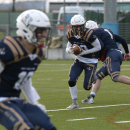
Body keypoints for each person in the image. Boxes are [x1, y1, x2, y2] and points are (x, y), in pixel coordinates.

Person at [0, 9, 57, 130]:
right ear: (27, 29)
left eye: (45, 31)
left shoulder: (38, 53)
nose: (44, 35)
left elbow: (25, 79)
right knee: (23, 127)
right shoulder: (9, 48)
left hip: (15, 99)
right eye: (40, 31)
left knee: (46, 125)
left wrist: (34, 102)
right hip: (2, 100)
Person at [82, 20, 130, 104]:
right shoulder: (106, 32)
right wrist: (127, 52)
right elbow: (122, 40)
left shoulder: (94, 32)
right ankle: (91, 97)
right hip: (115, 54)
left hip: (112, 55)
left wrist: (98, 56)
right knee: (97, 76)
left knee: (115, 77)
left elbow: (101, 46)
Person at [66, 15, 103, 109]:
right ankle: (74, 103)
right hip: (79, 60)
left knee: (87, 87)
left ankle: (93, 76)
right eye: (76, 27)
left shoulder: (89, 34)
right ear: (72, 26)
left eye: (80, 26)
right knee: (71, 80)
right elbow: (68, 46)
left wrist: (85, 52)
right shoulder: (70, 33)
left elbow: (98, 47)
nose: (78, 28)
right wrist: (69, 50)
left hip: (91, 61)